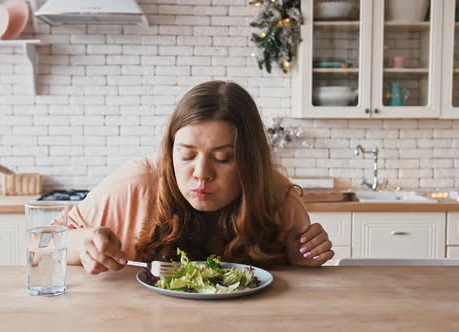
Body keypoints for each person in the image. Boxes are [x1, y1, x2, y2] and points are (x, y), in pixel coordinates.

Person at [62, 80, 334, 275]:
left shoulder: (277, 196)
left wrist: (299, 258)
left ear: (250, 161)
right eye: (187, 155)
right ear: (170, 151)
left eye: (222, 158)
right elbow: (41, 246)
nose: (201, 174)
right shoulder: (134, 184)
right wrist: (82, 243)